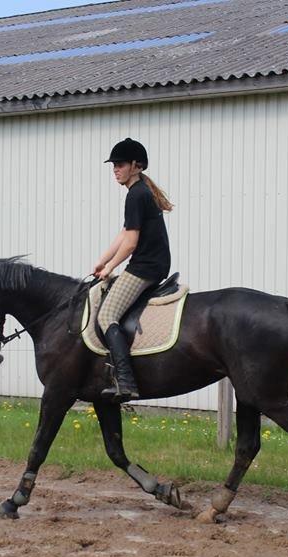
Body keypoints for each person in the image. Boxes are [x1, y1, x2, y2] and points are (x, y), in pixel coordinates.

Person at [92, 138, 173, 402]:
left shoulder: (136, 194)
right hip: (152, 264)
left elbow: (131, 243)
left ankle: (125, 380)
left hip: (145, 267)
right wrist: (102, 261)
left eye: (120, 164)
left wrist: (111, 268)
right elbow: (125, 232)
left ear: (136, 166)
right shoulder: (139, 192)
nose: (115, 169)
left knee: (106, 317)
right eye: (114, 164)